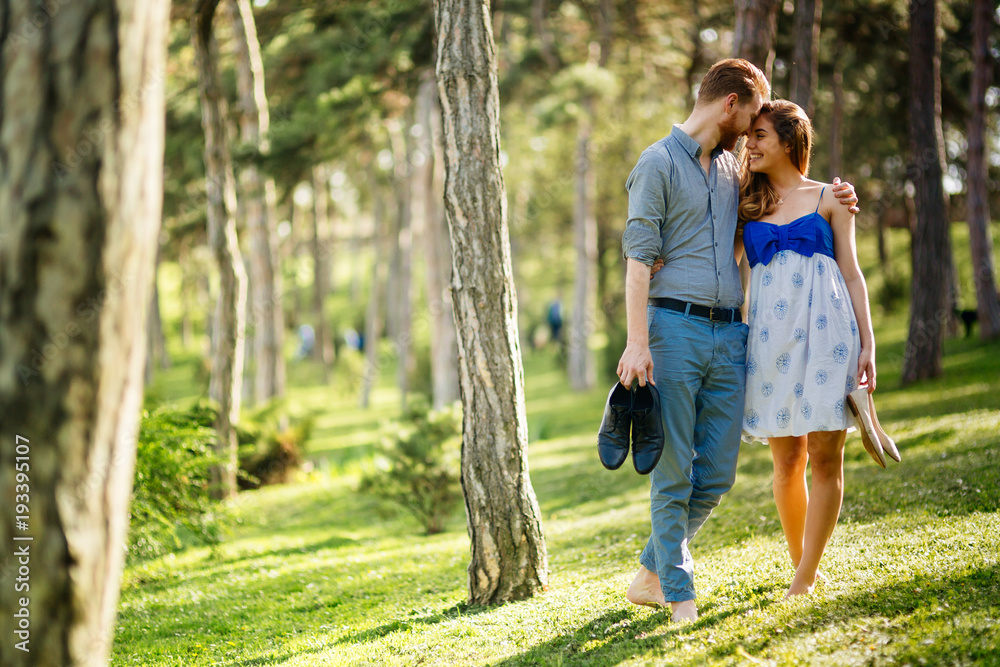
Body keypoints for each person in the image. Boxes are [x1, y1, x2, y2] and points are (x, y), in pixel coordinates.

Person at [617, 60, 859, 622]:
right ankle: (679, 597)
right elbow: (637, 261)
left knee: (718, 473)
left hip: (731, 334)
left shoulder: (734, 170)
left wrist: (836, 194)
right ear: (731, 106)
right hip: (673, 329)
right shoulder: (656, 162)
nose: (753, 132)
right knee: (676, 468)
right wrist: (637, 341)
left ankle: (651, 573)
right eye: (751, 118)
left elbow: (791, 195)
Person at [736, 100, 876, 597]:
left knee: (823, 457)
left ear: (790, 141)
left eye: (759, 135)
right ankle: (803, 566)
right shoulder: (745, 203)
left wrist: (868, 343)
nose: (748, 144)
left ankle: (804, 577)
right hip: (769, 341)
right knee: (786, 461)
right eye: (748, 136)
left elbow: (852, 273)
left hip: (828, 337)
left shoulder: (832, 197)